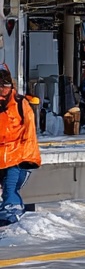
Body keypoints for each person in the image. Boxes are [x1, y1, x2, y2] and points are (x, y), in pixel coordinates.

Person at [0, 70, 41, 226]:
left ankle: (12, 215)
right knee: (7, 187)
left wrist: (29, 157)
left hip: (15, 154)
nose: (2, 89)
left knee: (10, 188)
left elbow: (29, 132)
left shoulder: (20, 103)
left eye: (5, 85)